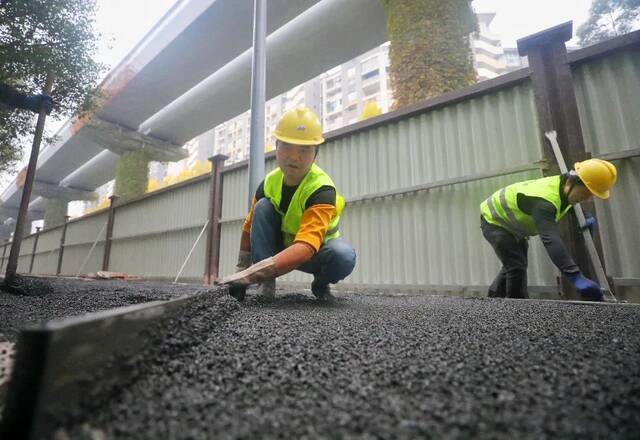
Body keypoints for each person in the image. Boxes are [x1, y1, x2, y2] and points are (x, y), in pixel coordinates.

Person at [218, 106, 356, 301]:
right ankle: (265, 286)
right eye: (287, 146)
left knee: (344, 256)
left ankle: (321, 284)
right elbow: (249, 227)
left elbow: (306, 246)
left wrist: (250, 275)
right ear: (276, 148)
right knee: (262, 206)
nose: (294, 156)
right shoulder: (268, 183)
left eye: (304, 149)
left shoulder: (322, 190)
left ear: (315, 154)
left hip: (316, 252)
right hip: (280, 248)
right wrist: (241, 267)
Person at [480, 159, 617, 301]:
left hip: (513, 226)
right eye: (583, 195)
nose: (586, 200)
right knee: (516, 265)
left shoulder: (563, 186)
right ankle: (517, 307)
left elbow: (567, 202)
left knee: (514, 263)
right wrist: (575, 276)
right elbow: (551, 239)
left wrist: (585, 216)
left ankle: (494, 298)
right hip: (495, 221)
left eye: (589, 197)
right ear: (570, 183)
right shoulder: (544, 202)